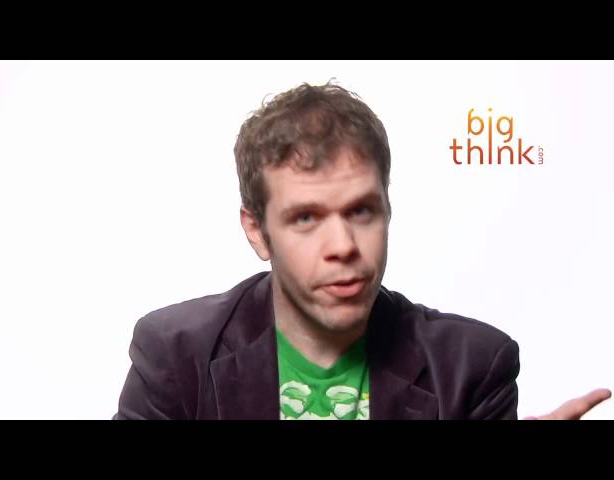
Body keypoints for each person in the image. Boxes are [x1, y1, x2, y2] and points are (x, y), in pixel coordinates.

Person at [116, 81, 610, 420]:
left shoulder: (473, 367)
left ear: (388, 209)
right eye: (305, 218)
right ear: (257, 231)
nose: (344, 247)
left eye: (361, 211)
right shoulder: (174, 355)